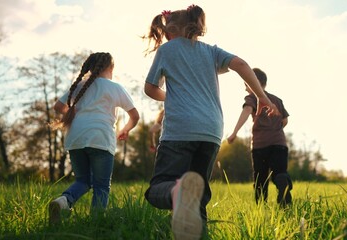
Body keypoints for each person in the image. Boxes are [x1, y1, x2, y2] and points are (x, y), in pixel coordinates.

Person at [142, 5, 280, 240]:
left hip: (179, 132)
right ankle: (196, 232)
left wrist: (171, 96)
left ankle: (176, 191)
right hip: (211, 132)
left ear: (171, 30)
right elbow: (243, 65)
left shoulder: (167, 51)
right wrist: (261, 96)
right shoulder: (211, 52)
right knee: (197, 195)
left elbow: (150, 88)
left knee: (158, 189)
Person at [48, 52, 140, 224]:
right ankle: (96, 224)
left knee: (83, 181)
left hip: (76, 137)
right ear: (110, 68)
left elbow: (58, 106)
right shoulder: (115, 87)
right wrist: (125, 130)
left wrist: (73, 113)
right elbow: (134, 116)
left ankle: (63, 201)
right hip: (101, 138)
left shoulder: (79, 86)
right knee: (101, 186)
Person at [227, 68, 293, 207]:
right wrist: (274, 131)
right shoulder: (277, 100)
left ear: (253, 83)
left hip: (260, 145)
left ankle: (261, 209)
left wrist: (234, 132)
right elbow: (284, 121)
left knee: (260, 179)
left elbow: (247, 110)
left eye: (246, 84)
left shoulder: (252, 97)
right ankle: (285, 199)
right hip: (279, 144)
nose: (245, 89)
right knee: (280, 173)